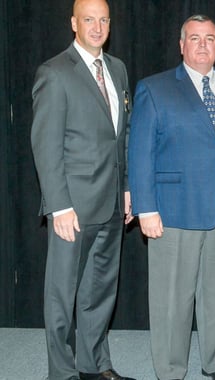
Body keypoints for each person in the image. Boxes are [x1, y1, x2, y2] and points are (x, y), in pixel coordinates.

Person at [128, 15, 215, 380]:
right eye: (194, 38)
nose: (202, 45)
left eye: (210, 38)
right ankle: (170, 369)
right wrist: (146, 207)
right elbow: (140, 151)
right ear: (181, 45)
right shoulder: (156, 87)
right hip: (174, 210)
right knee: (172, 300)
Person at [30, 0, 134, 379]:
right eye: (89, 19)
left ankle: (95, 365)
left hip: (110, 204)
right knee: (62, 296)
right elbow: (46, 145)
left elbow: (120, 137)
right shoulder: (55, 72)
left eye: (103, 19)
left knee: (100, 290)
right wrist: (58, 206)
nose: (97, 26)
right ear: (74, 23)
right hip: (72, 207)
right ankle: (61, 372)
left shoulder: (118, 69)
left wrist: (126, 189)